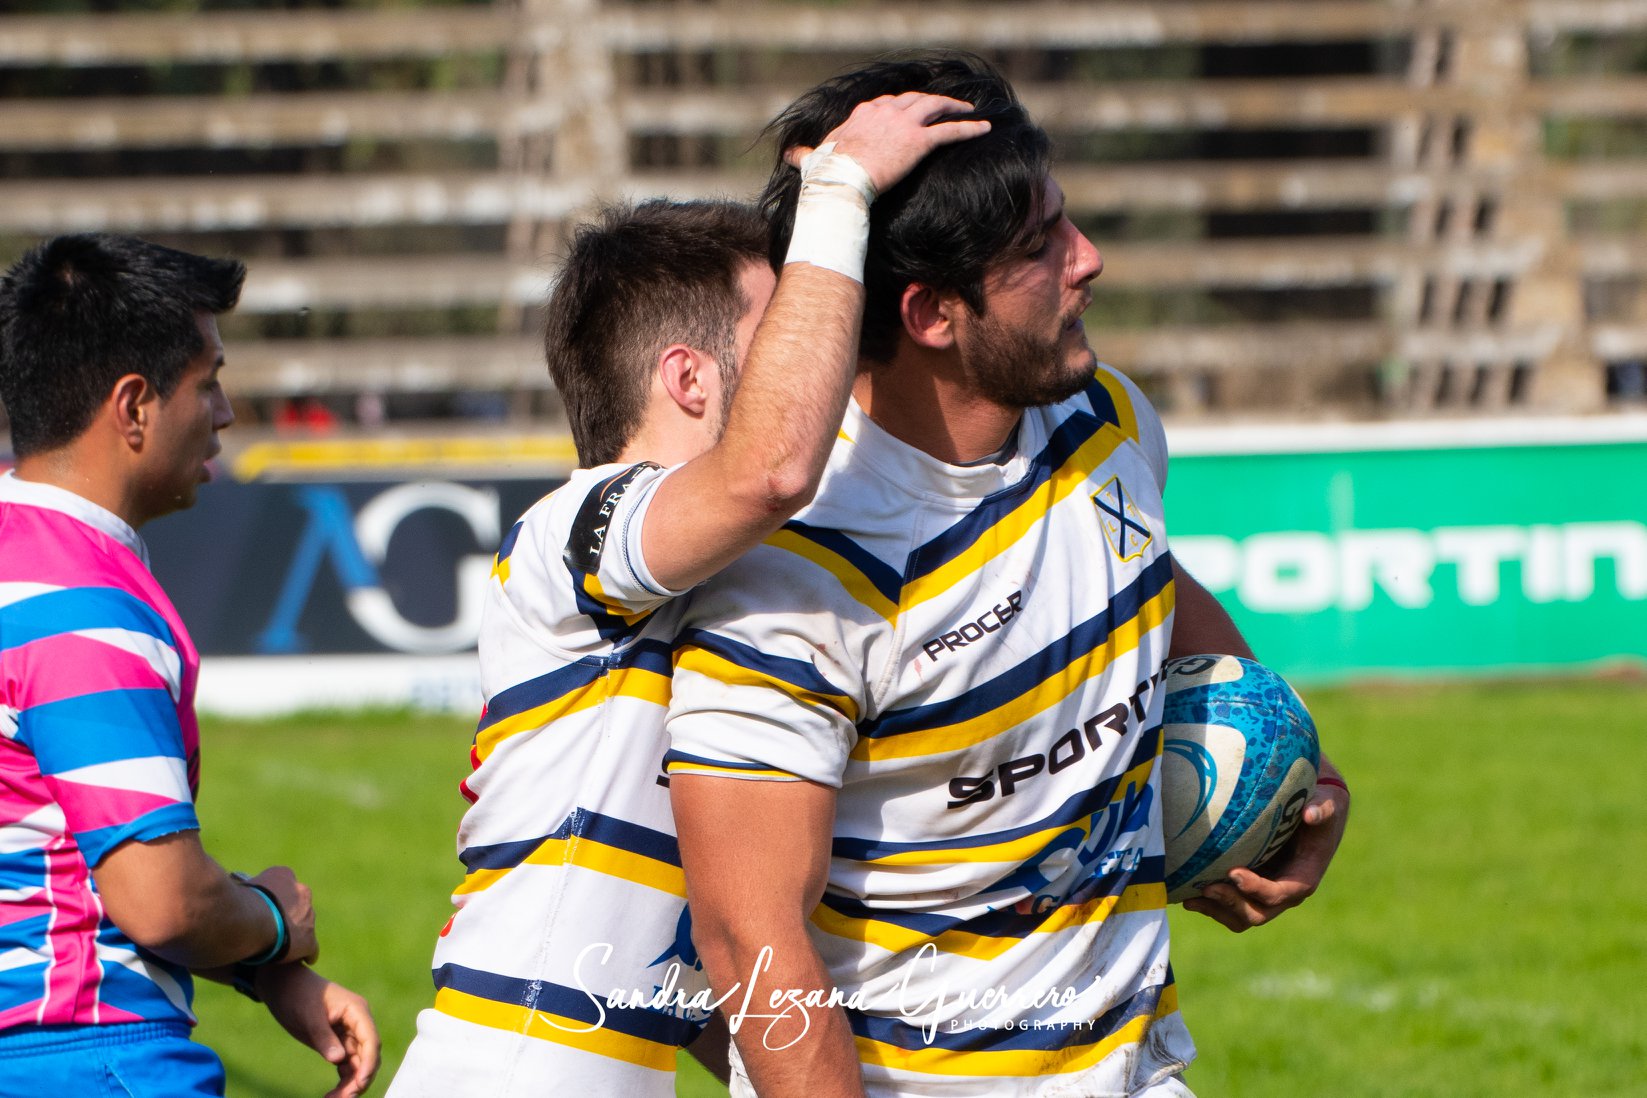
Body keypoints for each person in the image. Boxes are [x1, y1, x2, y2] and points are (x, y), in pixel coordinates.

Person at [664, 53, 1351, 1098]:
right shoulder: (794, 578)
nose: (1090, 260)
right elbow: (748, 940)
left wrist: (1292, 772)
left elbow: (1148, 588)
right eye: (1041, 247)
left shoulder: (1104, 421)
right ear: (932, 315)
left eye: (1066, 221)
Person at [386, 94, 990, 1097]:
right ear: (689, 380)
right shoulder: (579, 526)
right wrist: (838, 197)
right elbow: (769, 471)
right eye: (781, 328)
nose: (820, 352)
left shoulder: (746, 565)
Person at [0, 235, 378, 1097]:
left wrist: (261, 970)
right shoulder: (79, 602)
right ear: (134, 406)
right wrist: (275, 922)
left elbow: (50, 859)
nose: (225, 412)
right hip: (85, 1057)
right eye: (207, 382)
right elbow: (159, 898)